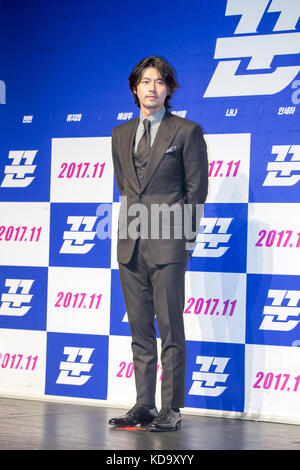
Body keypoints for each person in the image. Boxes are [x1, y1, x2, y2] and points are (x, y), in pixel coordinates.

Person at [109, 56, 208, 431]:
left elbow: (195, 193)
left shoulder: (186, 131)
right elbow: (126, 187)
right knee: (139, 331)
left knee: (170, 329)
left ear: (169, 89)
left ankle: (172, 408)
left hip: (168, 245)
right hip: (130, 243)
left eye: (159, 81)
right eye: (145, 81)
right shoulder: (119, 134)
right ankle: (144, 405)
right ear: (135, 89)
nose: (152, 87)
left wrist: (183, 241)